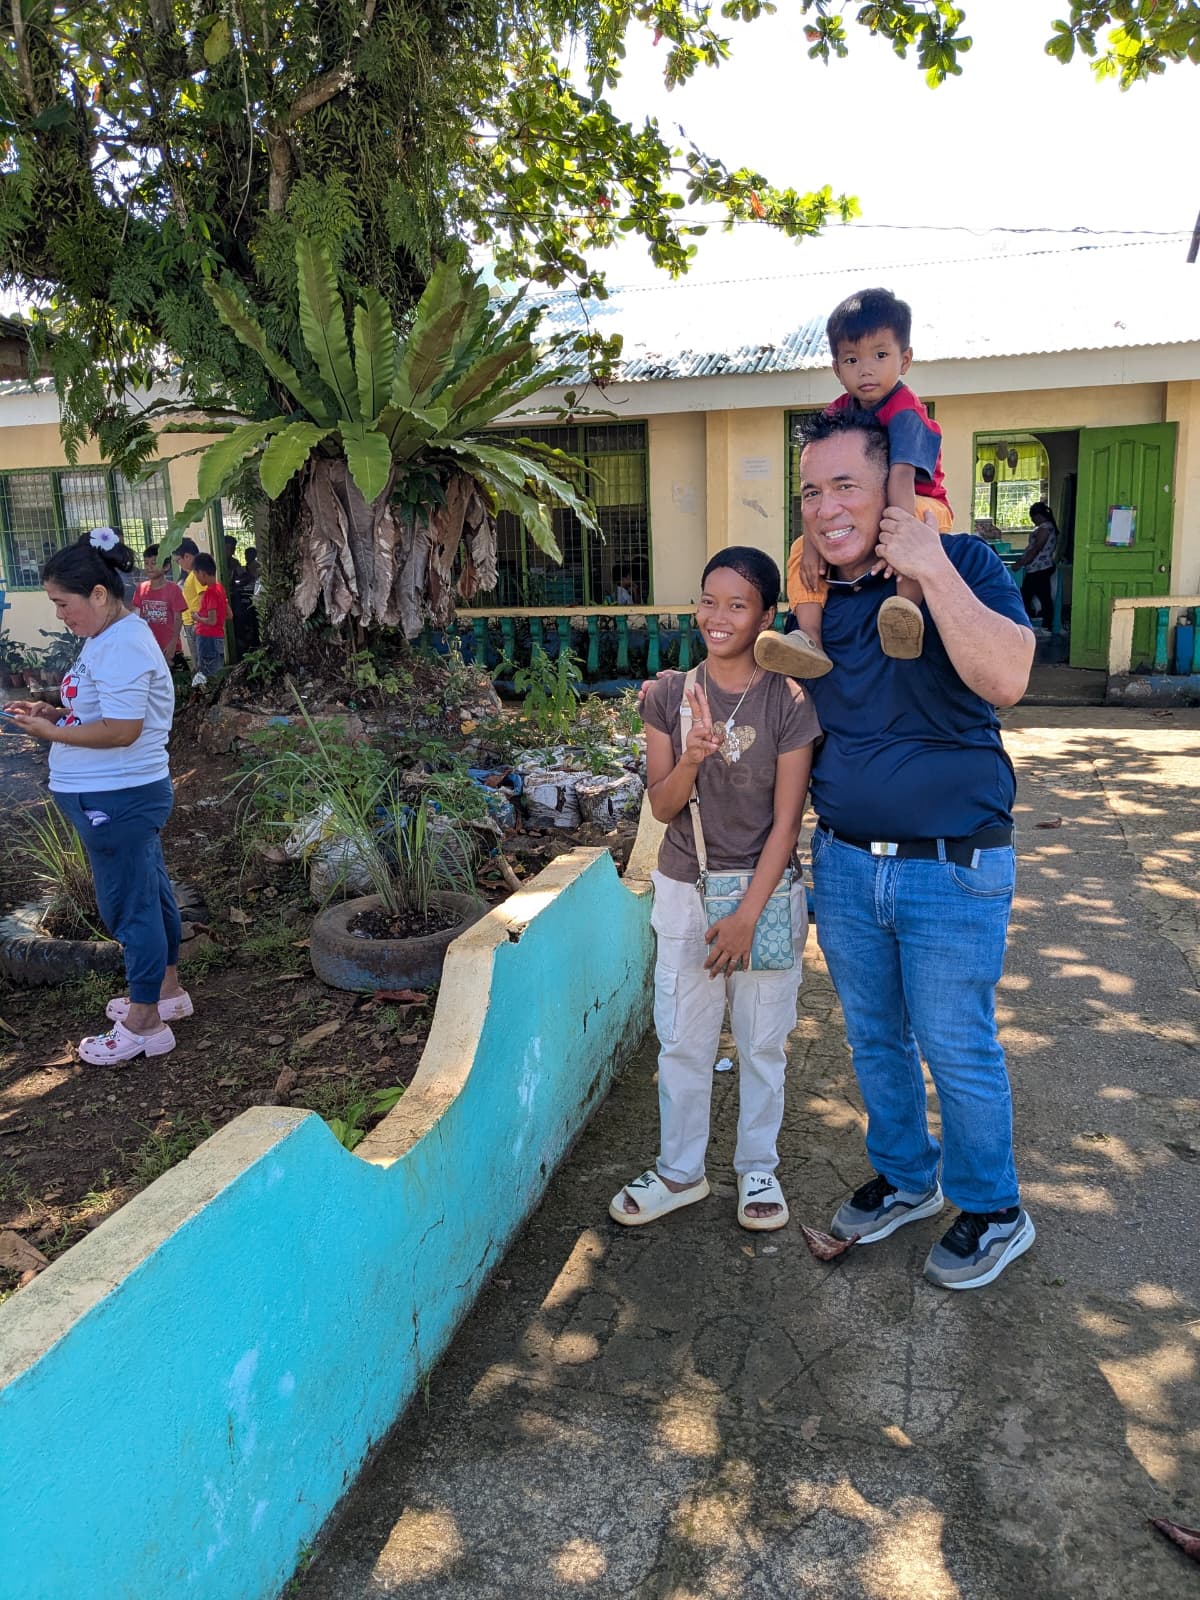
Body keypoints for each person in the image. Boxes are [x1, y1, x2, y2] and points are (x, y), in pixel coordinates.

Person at [795, 408, 1037, 1290]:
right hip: (846, 863)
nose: (826, 507)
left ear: (890, 485)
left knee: (954, 1045)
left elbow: (1006, 677)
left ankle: (995, 1210)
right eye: (811, 492)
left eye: (845, 485)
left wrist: (929, 565)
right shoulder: (817, 597)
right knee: (873, 1040)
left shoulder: (963, 560)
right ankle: (906, 1177)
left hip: (952, 864)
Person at [611, 547, 821, 1232]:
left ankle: (758, 1167)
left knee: (762, 1044)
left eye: (737, 604)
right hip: (685, 891)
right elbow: (663, 805)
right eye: (709, 601)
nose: (718, 616)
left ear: (766, 615)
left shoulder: (789, 700)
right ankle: (680, 1171)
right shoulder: (667, 695)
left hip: (766, 896)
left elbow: (787, 824)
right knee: (683, 1041)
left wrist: (747, 917)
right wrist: (693, 756)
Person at [3, 529, 192, 1064]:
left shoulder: (123, 644)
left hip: (119, 796)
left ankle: (145, 1023)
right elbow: (102, 710)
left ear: (100, 594)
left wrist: (51, 734)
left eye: (63, 603)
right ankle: (167, 993)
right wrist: (57, 711)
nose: (60, 614)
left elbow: (123, 729)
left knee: (130, 907)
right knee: (150, 894)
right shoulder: (108, 637)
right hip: (117, 794)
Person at [757, 287, 954, 680]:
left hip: (919, 503)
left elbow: (901, 479)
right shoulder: (837, 413)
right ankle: (809, 637)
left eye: (880, 356)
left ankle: (904, 612)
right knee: (799, 550)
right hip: (873, 511)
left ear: (905, 360)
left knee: (917, 520)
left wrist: (895, 543)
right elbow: (816, 485)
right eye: (852, 359)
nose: (866, 370)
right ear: (836, 368)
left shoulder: (906, 414)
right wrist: (812, 547)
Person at [132, 543, 187, 661]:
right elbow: (137, 615)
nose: (149, 567)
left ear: (166, 566)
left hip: (169, 648)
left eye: (154, 563)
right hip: (147, 647)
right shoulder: (141, 589)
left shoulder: (174, 589)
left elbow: (178, 618)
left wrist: (173, 642)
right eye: (146, 563)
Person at [1012, 501, 1058, 631]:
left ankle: (1041, 626)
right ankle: (1043, 625)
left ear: (1038, 516)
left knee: (1028, 597)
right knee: (1040, 596)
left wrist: (1021, 563)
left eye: (1032, 517)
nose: (1032, 521)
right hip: (1039, 567)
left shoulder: (1044, 528)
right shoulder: (1048, 527)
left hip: (1039, 568)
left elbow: (1036, 548)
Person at [191, 553, 228, 676]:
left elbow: (212, 621)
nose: (197, 579)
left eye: (196, 575)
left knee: (207, 674)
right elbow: (229, 614)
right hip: (218, 637)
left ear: (202, 573)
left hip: (208, 638)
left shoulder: (210, 593)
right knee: (216, 670)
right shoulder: (220, 588)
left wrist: (197, 618)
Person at [176, 538, 203, 666]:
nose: (179, 564)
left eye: (178, 561)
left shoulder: (197, 574)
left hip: (196, 624)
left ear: (187, 556)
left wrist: (199, 622)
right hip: (190, 623)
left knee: (202, 664)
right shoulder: (190, 575)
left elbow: (204, 598)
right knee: (197, 662)